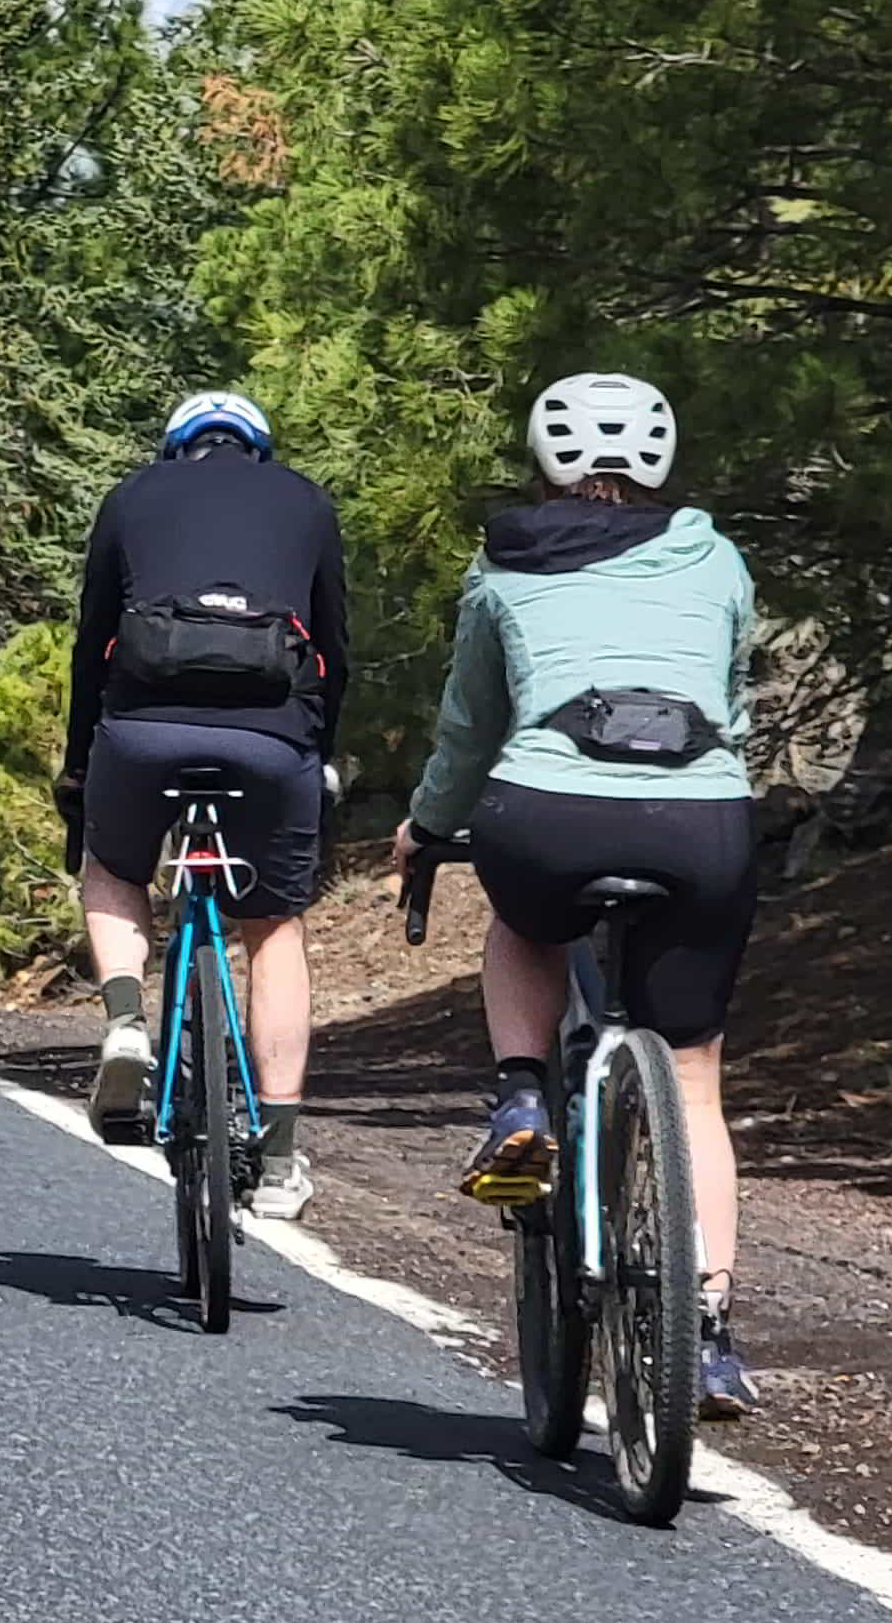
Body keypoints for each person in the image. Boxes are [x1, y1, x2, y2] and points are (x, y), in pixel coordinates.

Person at [391, 373, 763, 1418]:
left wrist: (426, 826)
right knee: (692, 1077)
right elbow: (728, 694)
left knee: (522, 924)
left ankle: (519, 1093)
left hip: (545, 812)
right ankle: (711, 1336)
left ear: (546, 459)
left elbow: (471, 725)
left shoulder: (502, 561)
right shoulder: (715, 553)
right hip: (702, 817)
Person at [58, 390, 347, 1223]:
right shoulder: (306, 499)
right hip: (272, 740)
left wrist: (81, 762)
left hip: (142, 733)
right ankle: (283, 1155)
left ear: (174, 447)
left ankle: (123, 1021)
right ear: (258, 448)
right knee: (275, 926)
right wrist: (318, 755)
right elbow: (336, 649)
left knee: (113, 867)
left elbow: (91, 642)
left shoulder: (131, 496)